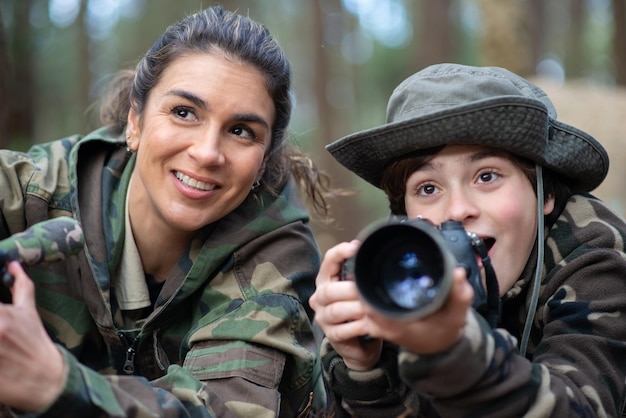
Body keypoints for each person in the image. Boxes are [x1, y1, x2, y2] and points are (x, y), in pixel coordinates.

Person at [0, 5, 331, 417]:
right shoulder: (29, 192)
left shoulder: (275, 261)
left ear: (263, 160)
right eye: (184, 112)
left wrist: (53, 381)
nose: (207, 153)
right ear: (134, 122)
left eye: (241, 131)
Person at [309, 63, 626, 417]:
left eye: (486, 176)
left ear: (545, 193)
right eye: (428, 188)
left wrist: (454, 350)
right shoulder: (394, 271)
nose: (457, 211)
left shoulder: (596, 253)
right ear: (404, 215)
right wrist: (364, 366)